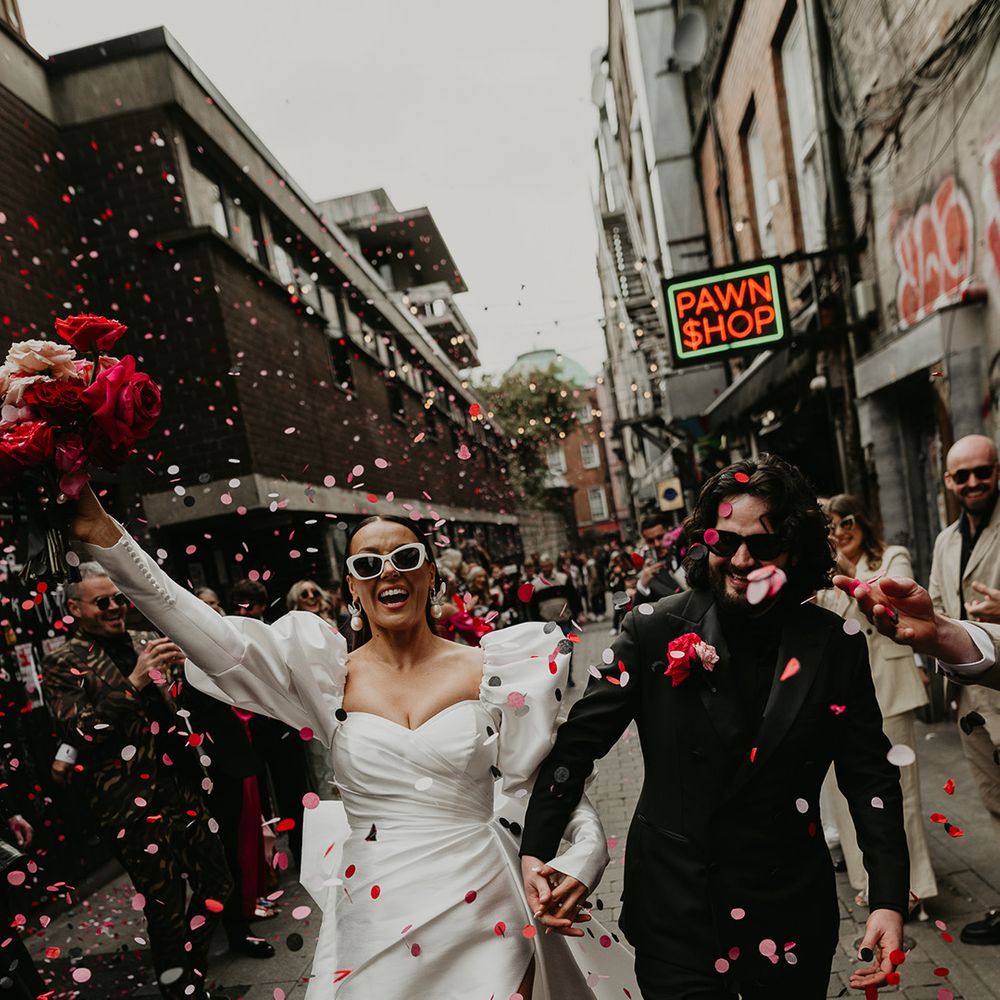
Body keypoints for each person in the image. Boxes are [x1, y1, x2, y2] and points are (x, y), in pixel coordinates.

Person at [69, 487, 638, 1000]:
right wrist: (105, 534)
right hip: (376, 909)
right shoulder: (322, 676)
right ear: (352, 585)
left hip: (488, 902)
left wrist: (585, 859)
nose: (389, 573)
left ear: (431, 573)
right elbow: (198, 626)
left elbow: (553, 788)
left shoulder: (494, 668)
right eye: (369, 563)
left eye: (406, 558)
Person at [520, 454, 909, 999]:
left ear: (793, 548)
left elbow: (869, 778)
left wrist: (888, 899)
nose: (742, 558)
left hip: (789, 909)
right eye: (725, 541)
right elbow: (578, 744)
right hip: (678, 910)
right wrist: (535, 848)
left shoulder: (835, 644)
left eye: (764, 544)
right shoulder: (653, 630)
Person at [41, 563, 232, 1000]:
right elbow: (79, 733)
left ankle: (192, 974)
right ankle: (182, 991)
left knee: (217, 885)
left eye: (117, 599)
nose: (114, 608)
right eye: (101, 602)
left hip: (183, 788)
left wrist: (189, 675)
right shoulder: (63, 661)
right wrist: (134, 682)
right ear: (75, 608)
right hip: (130, 805)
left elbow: (181, 706)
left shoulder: (146, 642)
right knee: (165, 909)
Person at [817, 495, 937, 911]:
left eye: (847, 520)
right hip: (838, 696)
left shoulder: (891, 557)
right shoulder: (823, 573)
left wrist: (853, 575)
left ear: (863, 520)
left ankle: (913, 886)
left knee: (900, 792)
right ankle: (870, 883)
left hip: (888, 688)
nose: (841, 530)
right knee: (842, 793)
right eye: (831, 526)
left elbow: (896, 610)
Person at [924, 433, 1000, 945]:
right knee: (995, 804)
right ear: (948, 481)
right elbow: (932, 605)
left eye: (983, 471)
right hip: (970, 703)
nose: (973, 482)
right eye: (962, 475)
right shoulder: (946, 540)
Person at [230, 577, 313, 869]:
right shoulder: (230, 636)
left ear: (262, 606)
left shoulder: (276, 635)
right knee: (260, 799)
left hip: (282, 724)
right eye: (238, 607)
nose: (242, 613)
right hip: (249, 728)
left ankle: (302, 851)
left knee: (293, 790)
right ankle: (269, 861)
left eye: (248, 606)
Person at [635, 512, 684, 601]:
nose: (657, 544)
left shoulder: (687, 552)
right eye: (650, 541)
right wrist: (642, 585)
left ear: (670, 531)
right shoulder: (648, 574)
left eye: (660, 537)